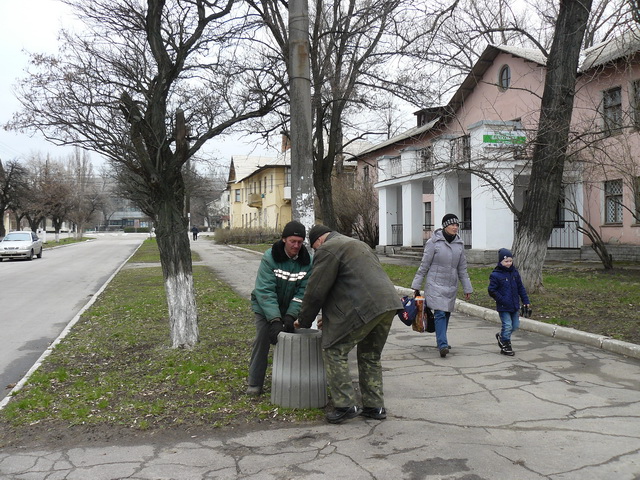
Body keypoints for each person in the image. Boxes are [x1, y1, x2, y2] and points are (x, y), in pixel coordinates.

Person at [295, 225, 403, 424]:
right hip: (388, 304)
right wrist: (329, 318)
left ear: (318, 241)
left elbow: (316, 290)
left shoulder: (328, 249)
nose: (316, 252)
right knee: (370, 355)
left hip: (366, 307)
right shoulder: (357, 244)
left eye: (314, 248)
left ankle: (345, 405)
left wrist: (303, 320)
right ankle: (374, 406)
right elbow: (349, 284)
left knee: (334, 349)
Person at [246, 220, 312, 395]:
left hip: (290, 307)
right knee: (262, 339)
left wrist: (290, 317)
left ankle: (291, 383)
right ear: (284, 239)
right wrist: (275, 320)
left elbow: (303, 292)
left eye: (300, 242)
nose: (296, 246)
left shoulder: (307, 262)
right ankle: (254, 383)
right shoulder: (270, 257)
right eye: (292, 241)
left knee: (293, 341)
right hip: (265, 307)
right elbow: (265, 290)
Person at [411, 213, 473, 358]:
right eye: (452, 224)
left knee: (446, 313)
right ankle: (443, 344)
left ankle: (441, 340)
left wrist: (467, 287)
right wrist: (416, 285)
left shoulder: (459, 244)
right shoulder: (434, 242)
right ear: (445, 226)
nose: (455, 227)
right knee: (439, 313)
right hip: (435, 283)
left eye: (457, 225)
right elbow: (424, 265)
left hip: (451, 284)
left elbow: (462, 268)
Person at [488, 248, 531, 356]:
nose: (508, 263)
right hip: (503, 306)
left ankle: (502, 336)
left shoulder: (515, 273)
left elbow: (520, 288)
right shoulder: (496, 275)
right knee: (507, 325)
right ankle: (506, 345)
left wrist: (526, 301)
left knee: (515, 325)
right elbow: (491, 290)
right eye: (506, 261)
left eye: (510, 261)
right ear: (500, 262)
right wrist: (501, 299)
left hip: (514, 305)